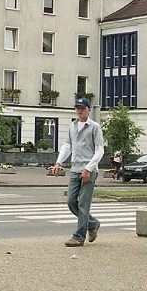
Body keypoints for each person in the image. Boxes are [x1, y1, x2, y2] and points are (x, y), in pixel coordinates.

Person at [51, 97, 104, 247]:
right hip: (75, 168)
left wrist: (89, 168)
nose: (79, 110)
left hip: (89, 170)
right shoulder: (72, 126)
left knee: (83, 204)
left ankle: (78, 237)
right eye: (77, 108)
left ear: (89, 109)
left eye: (82, 108)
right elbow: (67, 145)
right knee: (71, 201)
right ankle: (92, 224)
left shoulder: (94, 127)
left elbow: (100, 150)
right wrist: (58, 162)